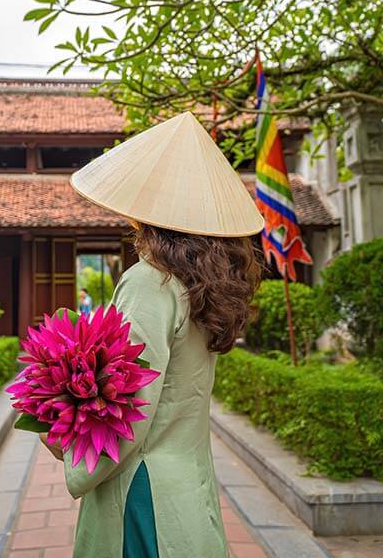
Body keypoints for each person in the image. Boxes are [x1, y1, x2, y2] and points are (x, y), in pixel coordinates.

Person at [40, 112, 264, 558]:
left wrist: (61, 428)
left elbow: (126, 412)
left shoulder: (150, 281)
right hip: (186, 481)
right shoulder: (204, 285)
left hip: (143, 492)